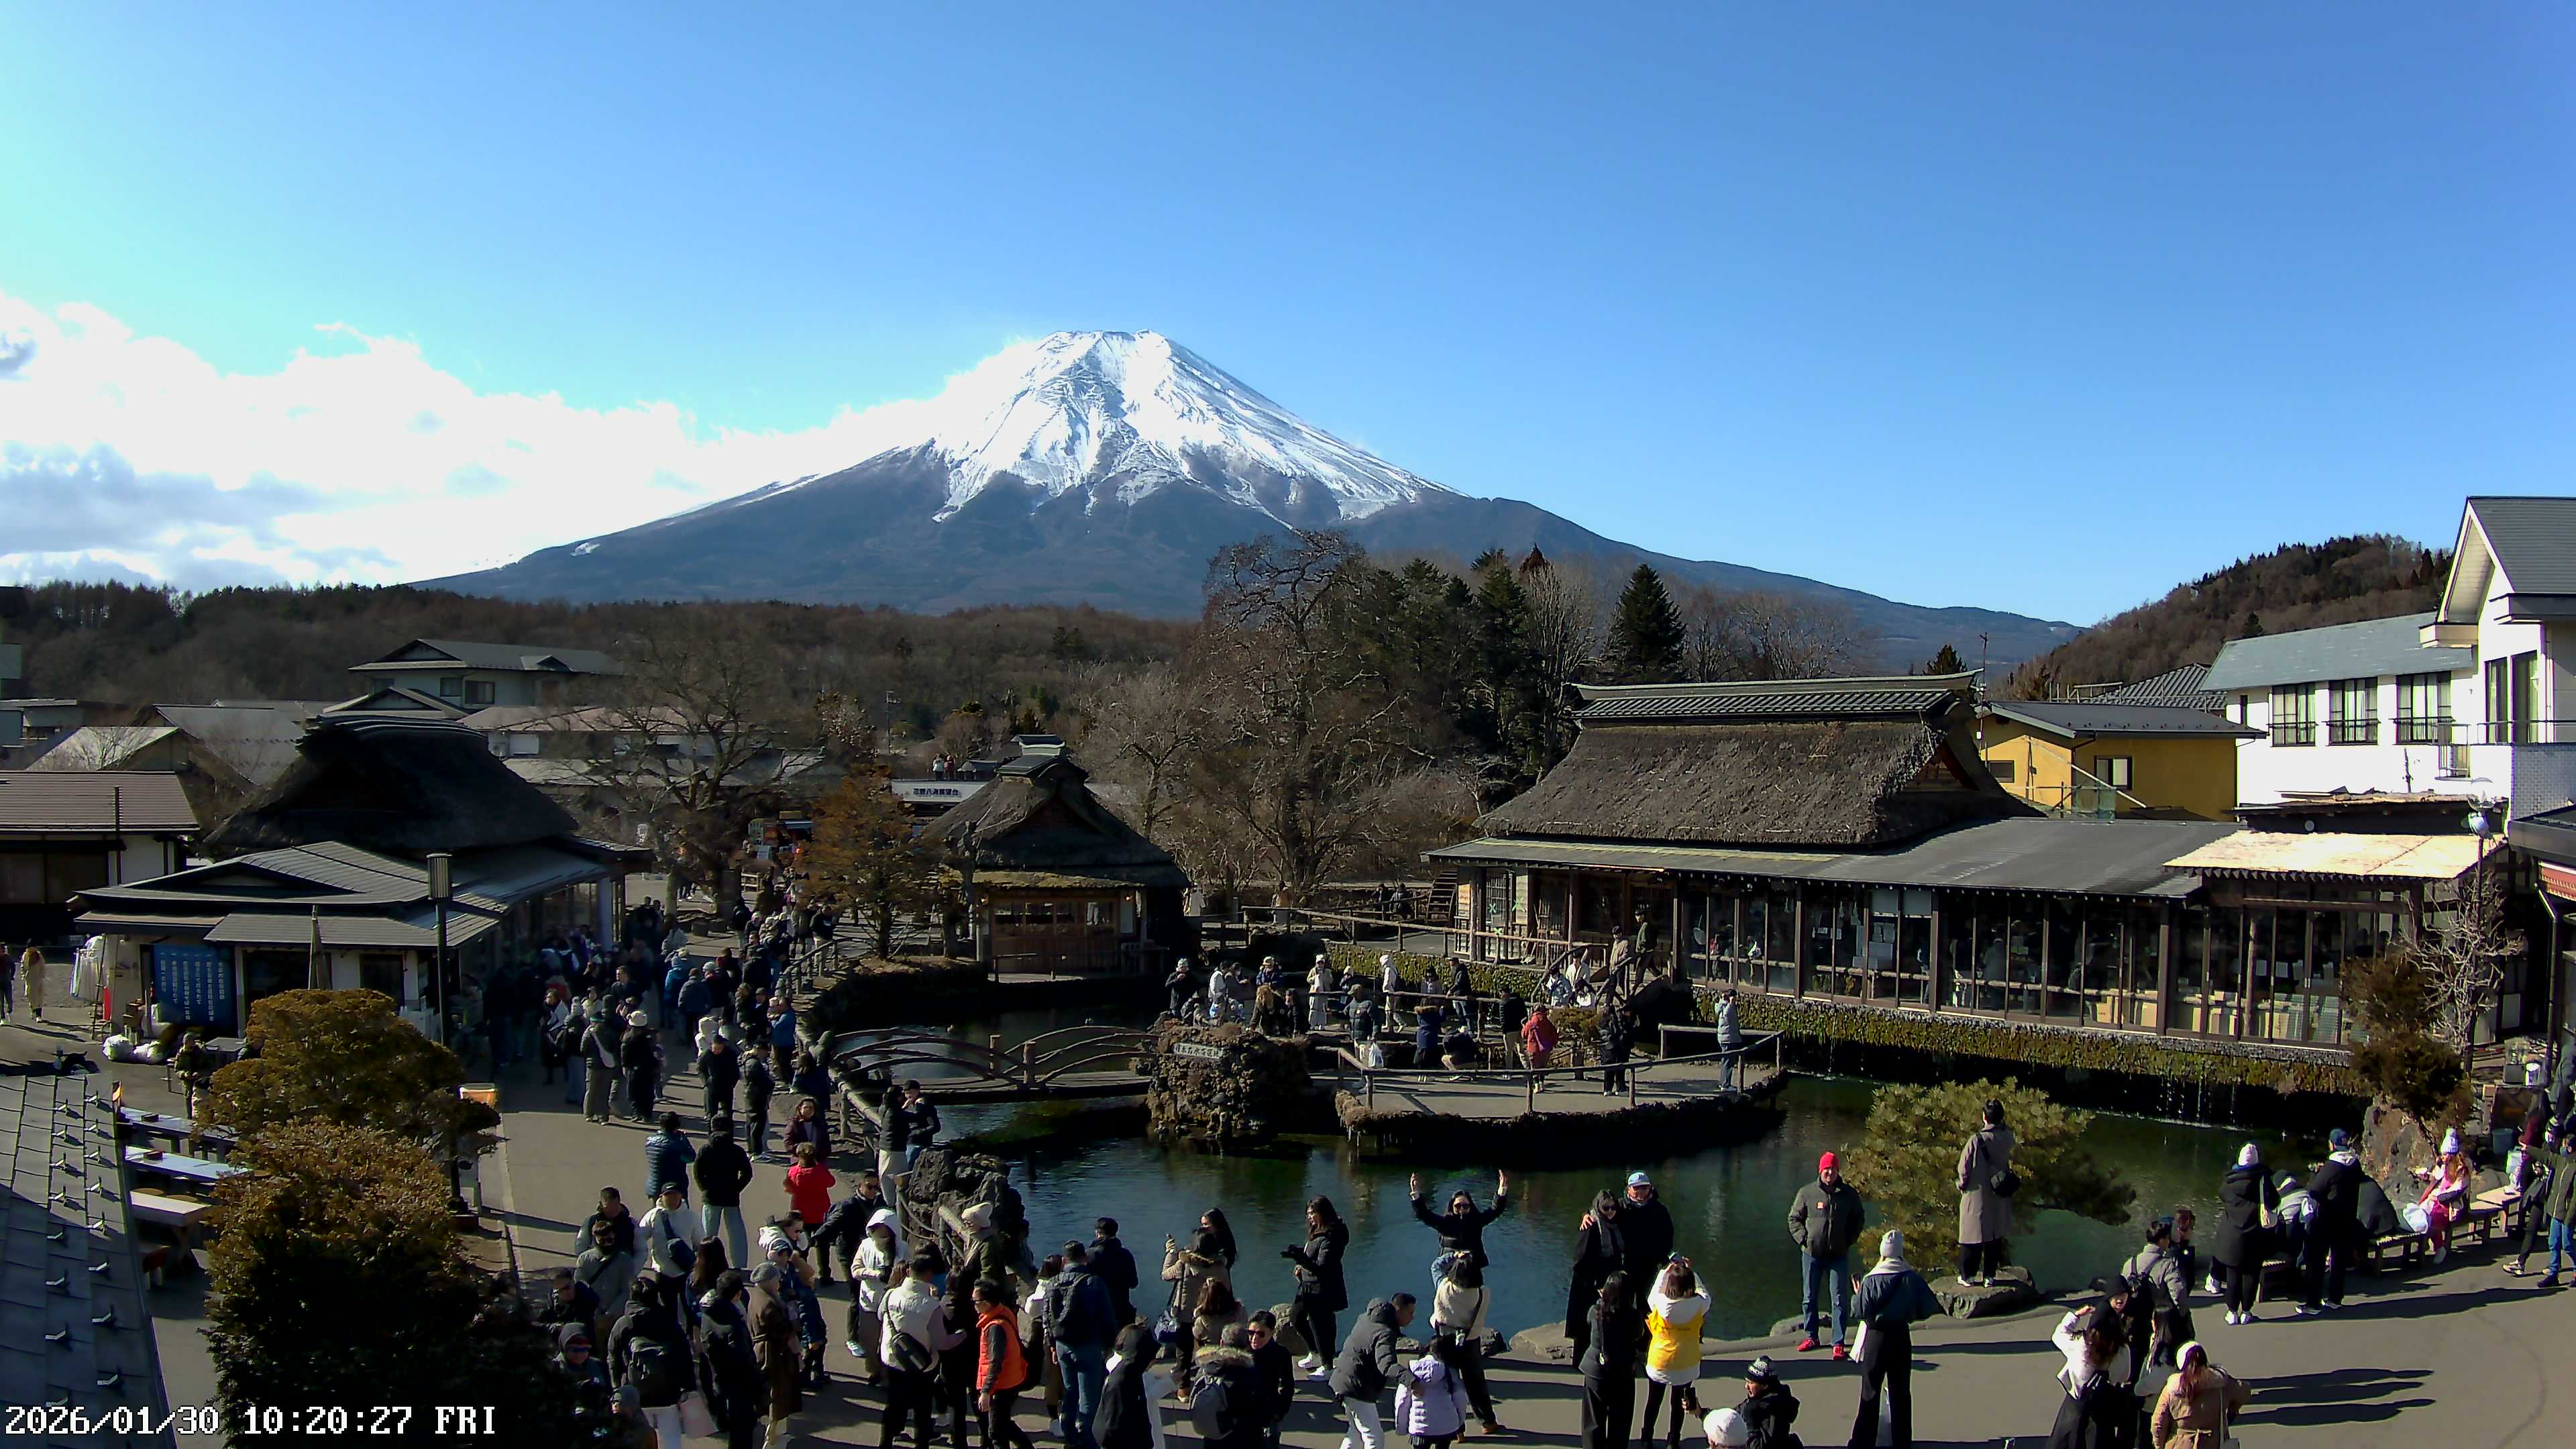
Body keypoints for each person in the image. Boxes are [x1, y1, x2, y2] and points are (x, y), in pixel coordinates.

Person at [1849, 1231, 1939, 1449]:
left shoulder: (1871, 1279)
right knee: (1900, 1393)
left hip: (1876, 1337)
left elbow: (1858, 1310)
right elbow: (1928, 1308)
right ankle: (1902, 1442)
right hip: (1900, 1336)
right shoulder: (1911, 1278)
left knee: (1870, 1391)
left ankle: (1863, 1442)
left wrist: (1858, 1293)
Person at [1786, 1152, 1864, 1359]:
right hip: (1812, 1254)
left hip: (1838, 1254)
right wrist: (1805, 1240)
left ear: (1838, 1171)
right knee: (1809, 1296)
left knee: (1839, 1299)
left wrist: (1848, 1240)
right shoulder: (1807, 1193)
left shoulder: (1848, 1194)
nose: (1830, 1173)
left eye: (1833, 1169)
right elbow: (1794, 1219)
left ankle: (1838, 1342)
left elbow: (1858, 1219)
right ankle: (1812, 1336)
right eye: (1826, 1169)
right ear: (1820, 1171)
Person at [606, 1274, 698, 1449]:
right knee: (671, 1439)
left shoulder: (625, 1324)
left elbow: (613, 1358)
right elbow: (684, 1356)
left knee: (639, 1441)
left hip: (635, 1393)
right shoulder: (669, 1322)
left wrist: (617, 1389)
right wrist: (688, 1388)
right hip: (667, 1392)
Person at [887, 1255, 967, 1449]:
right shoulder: (932, 1306)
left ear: (909, 1272)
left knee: (894, 1405)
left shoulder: (891, 1294)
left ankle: (885, 1442)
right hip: (922, 1364)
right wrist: (962, 1335)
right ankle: (921, 1444)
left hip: (894, 1357)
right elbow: (943, 1343)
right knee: (922, 1409)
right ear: (929, 1275)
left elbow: (883, 1316)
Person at [1049, 1240, 1119, 1449]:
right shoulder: (1093, 1282)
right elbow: (1107, 1317)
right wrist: (1110, 1346)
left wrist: (1052, 1344)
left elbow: (1047, 1318)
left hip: (1062, 1344)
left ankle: (1068, 1432)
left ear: (1064, 1260)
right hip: (1088, 1344)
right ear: (1085, 1258)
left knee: (1070, 1391)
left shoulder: (1054, 1282)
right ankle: (1085, 1437)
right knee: (1089, 1396)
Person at [2047, 1299, 2137, 1449]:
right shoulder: (2122, 1350)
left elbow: (2058, 1335)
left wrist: (2076, 1315)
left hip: (2074, 1408)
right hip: (2102, 1410)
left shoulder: (2081, 1345)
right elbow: (2124, 1376)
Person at [1330, 1294, 1416, 1449]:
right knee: (1374, 1438)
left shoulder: (1367, 1317)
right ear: (1398, 1310)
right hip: (1357, 1388)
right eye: (1410, 1313)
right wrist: (1411, 1380)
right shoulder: (1385, 1333)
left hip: (1343, 1380)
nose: (1413, 1318)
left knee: (1356, 1433)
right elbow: (1387, 1365)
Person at [1163, 1209, 1240, 1381]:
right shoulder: (1221, 1263)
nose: (1203, 1228)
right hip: (1211, 1307)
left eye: (1206, 1225)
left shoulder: (1187, 1263)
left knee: (1185, 1348)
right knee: (1209, 1346)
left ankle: (1184, 1385)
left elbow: (1166, 1274)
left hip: (1190, 1309)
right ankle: (1207, 1378)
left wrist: (1172, 1254)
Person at [1430, 1254, 1501, 1435]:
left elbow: (1436, 1266)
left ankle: (1457, 1429)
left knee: (1449, 1383)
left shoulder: (1444, 1287)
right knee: (1476, 1383)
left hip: (1445, 1340)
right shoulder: (1483, 1293)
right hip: (1470, 1340)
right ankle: (1488, 1422)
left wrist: (1453, 1256)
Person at [1642, 1256, 1709, 1449]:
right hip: (1687, 1362)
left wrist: (1666, 1272)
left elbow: (1654, 1291)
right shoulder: (1698, 1305)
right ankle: (1673, 1440)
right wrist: (1692, 1273)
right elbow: (1706, 1296)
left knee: (1653, 1400)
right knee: (1678, 1402)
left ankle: (1647, 1438)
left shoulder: (1660, 1304)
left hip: (1660, 1361)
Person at [700, 1269, 769, 1449]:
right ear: (737, 1295)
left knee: (735, 1430)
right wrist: (759, 1389)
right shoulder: (733, 1326)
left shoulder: (708, 1314)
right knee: (742, 1433)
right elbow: (745, 1362)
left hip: (719, 1379)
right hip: (739, 1386)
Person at [2298, 1127, 2363, 1313]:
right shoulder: (2355, 1165)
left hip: (2327, 1219)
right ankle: (2335, 1298)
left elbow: (2315, 1190)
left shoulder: (2332, 1166)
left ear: (2332, 1144)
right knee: (2339, 1259)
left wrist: (2317, 1174)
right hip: (2347, 1218)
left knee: (2317, 1260)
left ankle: (2313, 1303)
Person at [2212, 1144, 2277, 1326]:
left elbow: (2222, 1195)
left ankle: (2232, 1312)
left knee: (2233, 1275)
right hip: (2256, 1237)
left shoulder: (2229, 1182)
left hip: (2232, 1237)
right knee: (2251, 1275)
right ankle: (2247, 1311)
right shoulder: (2263, 1180)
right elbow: (2274, 1200)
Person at [1285, 1197, 1351, 1379]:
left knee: (1322, 1326)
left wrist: (1302, 1260)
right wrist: (1300, 1263)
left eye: (1313, 1213)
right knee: (1296, 1317)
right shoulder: (1316, 1231)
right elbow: (1311, 1258)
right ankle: (1314, 1353)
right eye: (1308, 1214)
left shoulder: (1331, 1236)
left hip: (1323, 1287)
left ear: (1323, 1213)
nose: (1310, 1217)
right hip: (1306, 1285)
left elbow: (1323, 1267)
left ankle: (1328, 1365)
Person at [1957, 1098, 2017, 1287]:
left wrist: (1961, 1185)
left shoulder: (1976, 1140)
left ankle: (1968, 1276)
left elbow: (1963, 1168)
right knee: (1994, 1235)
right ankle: (1989, 1276)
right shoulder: (2008, 1137)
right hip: (1999, 1192)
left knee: (1972, 1236)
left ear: (1984, 1117)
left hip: (1978, 1192)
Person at [1577, 1274, 1640, 1449]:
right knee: (1620, 1424)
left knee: (1592, 1422)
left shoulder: (1596, 1312)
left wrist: (1601, 1299)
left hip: (1596, 1370)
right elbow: (1638, 1335)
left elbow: (1589, 1321)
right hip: (1623, 1372)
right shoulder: (1633, 1317)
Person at [2121, 1219, 2193, 1372]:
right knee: (2162, 1359)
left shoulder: (2130, 1263)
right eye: (2167, 1238)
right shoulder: (2166, 1265)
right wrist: (2182, 1314)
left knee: (2136, 1358)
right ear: (2161, 1241)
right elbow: (2178, 1293)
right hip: (2159, 1321)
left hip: (2134, 1320)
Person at [975, 1278, 1038, 1449]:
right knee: (1003, 1424)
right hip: (1011, 1379)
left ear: (988, 1303)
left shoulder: (994, 1327)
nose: (974, 1305)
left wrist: (986, 1391)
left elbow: (995, 1361)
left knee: (996, 1432)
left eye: (977, 1302)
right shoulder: (1004, 1314)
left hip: (1001, 1385)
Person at [1564, 1189, 1625, 1364]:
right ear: (1599, 1208)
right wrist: (1595, 1284)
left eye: (1613, 1207)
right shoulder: (1591, 1226)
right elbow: (1579, 1261)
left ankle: (1602, 1357)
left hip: (1609, 1279)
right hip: (1589, 1282)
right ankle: (1580, 1362)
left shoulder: (1616, 1223)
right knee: (1586, 1324)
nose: (1611, 1211)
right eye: (1606, 1208)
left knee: (1606, 1321)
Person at [2149, 1342, 2249, 1449]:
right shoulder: (2221, 1383)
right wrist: (2232, 1409)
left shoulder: (2171, 1390)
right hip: (2214, 1443)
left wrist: (2159, 1445)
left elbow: (2158, 1424)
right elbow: (2245, 1391)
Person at [748, 1261, 804, 1449]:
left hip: (766, 1352)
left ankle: (776, 1435)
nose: (779, 1283)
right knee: (778, 1397)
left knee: (775, 1396)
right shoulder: (769, 1305)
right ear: (770, 1281)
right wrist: (795, 1323)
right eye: (777, 1280)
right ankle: (772, 1440)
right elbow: (782, 1329)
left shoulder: (757, 1297)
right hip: (774, 1355)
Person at [849, 1208, 906, 1381]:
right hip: (869, 1303)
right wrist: (876, 1274)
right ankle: (874, 1370)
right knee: (869, 1340)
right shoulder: (865, 1246)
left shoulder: (902, 1248)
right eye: (877, 1229)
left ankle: (889, 1374)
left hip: (892, 1304)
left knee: (890, 1341)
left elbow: (909, 1270)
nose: (880, 1233)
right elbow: (855, 1270)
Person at [1395, 1331, 1474, 1449]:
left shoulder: (1411, 1372)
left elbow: (1402, 1401)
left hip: (1420, 1429)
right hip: (1446, 1428)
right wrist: (1460, 1422)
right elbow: (1461, 1398)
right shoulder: (1450, 1372)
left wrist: (1401, 1427)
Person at [695, 1116, 756, 1269]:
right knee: (736, 1234)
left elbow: (698, 1172)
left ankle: (705, 1263)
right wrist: (737, 1188)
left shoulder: (706, 1149)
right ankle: (739, 1266)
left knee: (707, 1234)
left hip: (711, 1197)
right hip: (731, 1197)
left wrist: (705, 1188)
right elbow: (747, 1173)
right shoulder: (736, 1150)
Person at [1094, 1322, 1166, 1449]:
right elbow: (1112, 1428)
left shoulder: (1133, 1374)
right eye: (1150, 1357)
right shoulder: (1119, 1383)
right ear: (1139, 1356)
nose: (1153, 1362)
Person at [2523, 1115, 2576, 1286]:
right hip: (2554, 1210)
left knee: (2567, 1245)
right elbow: (2545, 1156)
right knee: (2553, 1242)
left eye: (2564, 1146)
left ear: (2570, 1149)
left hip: (2566, 1214)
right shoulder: (2560, 1161)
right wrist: (2529, 1149)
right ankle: (2554, 1273)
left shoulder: (2574, 1168)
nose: (2561, 1147)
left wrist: (2570, 1217)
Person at [578, 1217, 642, 1342]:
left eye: (610, 1240)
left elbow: (627, 1291)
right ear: (595, 1240)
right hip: (591, 1317)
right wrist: (595, 1312)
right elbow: (581, 1287)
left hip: (617, 1318)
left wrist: (610, 1315)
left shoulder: (625, 1261)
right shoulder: (584, 1260)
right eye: (602, 1241)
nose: (607, 1244)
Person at [2413, 1129, 2473, 1263]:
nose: (2443, 1157)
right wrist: (2426, 1177)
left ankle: (2440, 1248)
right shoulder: (2443, 1165)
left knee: (2433, 1220)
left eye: (2445, 1154)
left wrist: (2438, 1198)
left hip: (2452, 1205)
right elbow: (2435, 1178)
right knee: (2420, 1214)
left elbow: (2457, 1191)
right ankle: (2423, 1244)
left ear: (2451, 1154)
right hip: (2436, 1199)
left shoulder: (2461, 1169)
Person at [1244, 1311, 1297, 1449]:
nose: (1254, 1338)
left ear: (1272, 1333)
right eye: (1251, 1332)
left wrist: (1280, 1412)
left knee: (1271, 1444)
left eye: (1261, 1334)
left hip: (1270, 1411)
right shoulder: (1242, 1352)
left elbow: (1288, 1385)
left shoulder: (1281, 1354)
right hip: (1245, 1411)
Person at [1731, 1356, 1800, 1449]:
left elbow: (1760, 1447)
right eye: (1746, 1381)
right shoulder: (1756, 1399)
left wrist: (1750, 1423)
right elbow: (1735, 1413)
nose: (1746, 1386)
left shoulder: (1774, 1411)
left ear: (1764, 1386)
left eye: (1751, 1383)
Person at [638, 1183, 697, 1287]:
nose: (672, 1199)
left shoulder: (691, 1217)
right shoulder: (653, 1215)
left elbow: (700, 1243)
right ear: (662, 1197)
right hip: (661, 1273)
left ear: (681, 1196)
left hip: (685, 1272)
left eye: (675, 1196)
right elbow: (639, 1237)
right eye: (668, 1196)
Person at [1091, 1217, 1140, 1328]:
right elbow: (1133, 1283)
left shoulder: (1090, 1255)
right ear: (1116, 1233)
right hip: (1122, 1309)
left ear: (1097, 1233)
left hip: (1098, 1311)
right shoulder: (1126, 1255)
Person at [786, 1139, 837, 1238]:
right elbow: (831, 1183)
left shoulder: (793, 1172)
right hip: (820, 1212)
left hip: (801, 1214)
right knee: (822, 1243)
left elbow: (789, 1189)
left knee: (802, 1243)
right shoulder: (821, 1170)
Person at [582, 1006, 623, 1123]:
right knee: (604, 1091)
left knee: (590, 1090)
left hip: (592, 1065)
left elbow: (583, 1049)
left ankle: (589, 1114)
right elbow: (615, 1048)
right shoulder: (609, 1033)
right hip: (607, 1066)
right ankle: (603, 1116)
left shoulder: (588, 1034)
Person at [643, 1113, 695, 1203]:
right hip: (674, 1189)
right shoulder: (677, 1144)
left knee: (658, 1214)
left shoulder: (650, 1140)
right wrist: (684, 1140)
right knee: (680, 1216)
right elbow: (691, 1158)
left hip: (655, 1186)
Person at [622, 1011, 662, 1122]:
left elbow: (625, 1054)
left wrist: (626, 1065)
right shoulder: (650, 1036)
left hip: (634, 1069)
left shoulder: (629, 1037)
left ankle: (636, 1113)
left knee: (634, 1092)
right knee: (648, 1092)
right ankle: (647, 1114)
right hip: (649, 1068)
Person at [742, 1042, 779, 1160]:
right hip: (757, 1097)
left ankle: (752, 1150)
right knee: (757, 1125)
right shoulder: (754, 1064)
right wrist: (771, 1084)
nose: (766, 1054)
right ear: (759, 1050)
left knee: (751, 1124)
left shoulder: (748, 1060)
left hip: (751, 1096)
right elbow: (761, 1081)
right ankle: (756, 1153)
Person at [786, 1094, 834, 1165]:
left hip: (818, 1161)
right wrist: (802, 1152)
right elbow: (788, 1143)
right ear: (800, 1109)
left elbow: (826, 1143)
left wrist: (822, 1155)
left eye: (811, 1108)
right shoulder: (794, 1124)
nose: (808, 1110)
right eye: (806, 1107)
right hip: (799, 1161)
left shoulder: (820, 1124)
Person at [1714, 989, 1743, 1092]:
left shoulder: (1721, 1005)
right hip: (1728, 1039)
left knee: (1725, 1062)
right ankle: (1726, 1085)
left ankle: (1723, 1083)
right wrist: (1731, 1004)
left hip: (1725, 1038)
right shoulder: (1728, 1007)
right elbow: (1727, 1016)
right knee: (1728, 1062)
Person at [1520, 1004, 1558, 1069]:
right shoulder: (1548, 1023)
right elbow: (1554, 1035)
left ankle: (1536, 1078)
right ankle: (1542, 1078)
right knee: (1543, 1068)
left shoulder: (1531, 1023)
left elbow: (1524, 1035)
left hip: (1533, 1049)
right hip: (1546, 1049)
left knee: (1535, 1070)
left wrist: (1524, 1026)